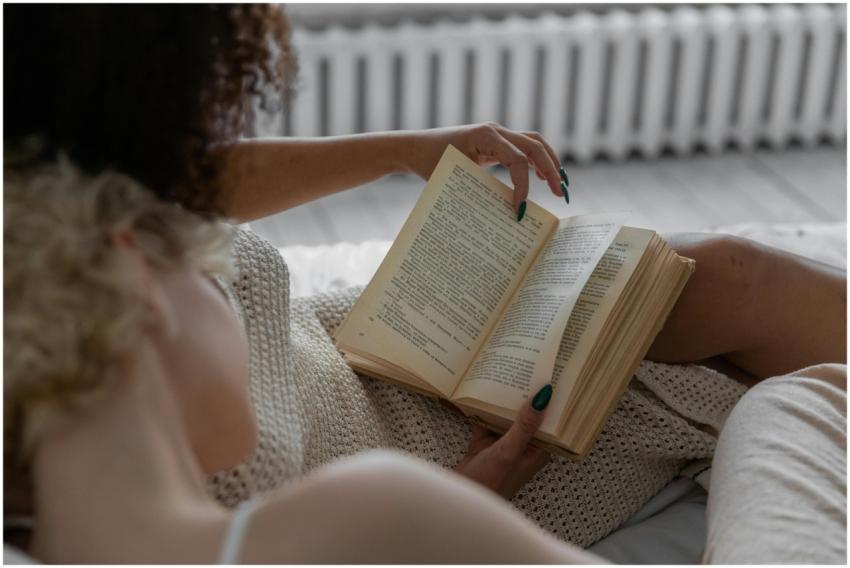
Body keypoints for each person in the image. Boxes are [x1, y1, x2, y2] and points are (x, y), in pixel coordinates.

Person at [4, 4, 845, 562]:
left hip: (369, 358)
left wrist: (401, 150)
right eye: (182, 258)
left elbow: (151, 175)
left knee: (703, 280)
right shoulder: (368, 515)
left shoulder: (50, 317)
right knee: (767, 371)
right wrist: (465, 503)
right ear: (130, 290)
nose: (190, 233)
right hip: (459, 448)